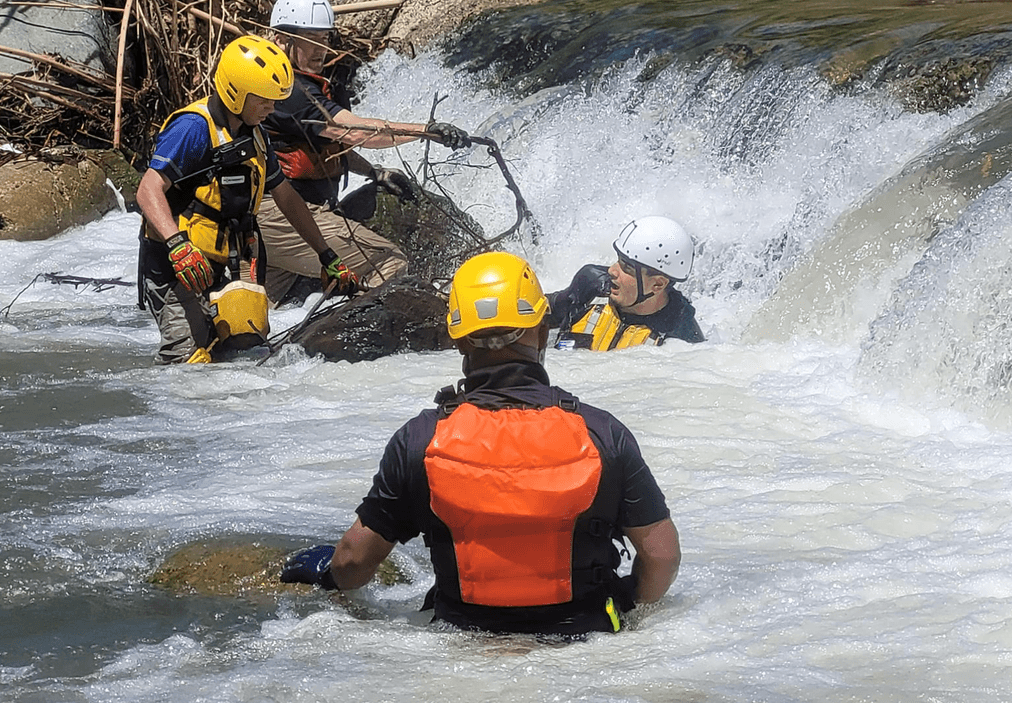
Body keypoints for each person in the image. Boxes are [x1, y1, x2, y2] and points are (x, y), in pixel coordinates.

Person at [280, 251, 681, 636]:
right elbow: (662, 556)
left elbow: (354, 562)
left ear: (459, 341)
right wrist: (629, 605)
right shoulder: (602, 434)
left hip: (461, 643)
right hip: (585, 646)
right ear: (542, 332)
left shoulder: (420, 440)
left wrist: (327, 574)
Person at [135, 35, 359, 365]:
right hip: (175, 264)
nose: (273, 108)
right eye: (265, 100)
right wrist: (177, 245)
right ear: (236, 93)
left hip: (227, 262)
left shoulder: (256, 132)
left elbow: (287, 198)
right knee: (188, 363)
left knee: (246, 356)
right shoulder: (193, 129)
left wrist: (327, 255)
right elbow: (147, 190)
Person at [257, 0, 470, 304]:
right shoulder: (287, 89)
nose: (320, 48)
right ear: (281, 39)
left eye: (325, 38)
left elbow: (326, 147)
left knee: (273, 312)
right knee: (388, 262)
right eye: (309, 38)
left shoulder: (300, 83)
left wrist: (374, 172)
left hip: (283, 217)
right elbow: (354, 132)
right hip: (282, 214)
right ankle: (364, 348)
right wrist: (426, 131)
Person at [546, 216, 705, 350]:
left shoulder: (681, 339)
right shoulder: (592, 285)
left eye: (627, 268)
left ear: (658, 284)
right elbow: (537, 313)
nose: (612, 271)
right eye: (618, 261)